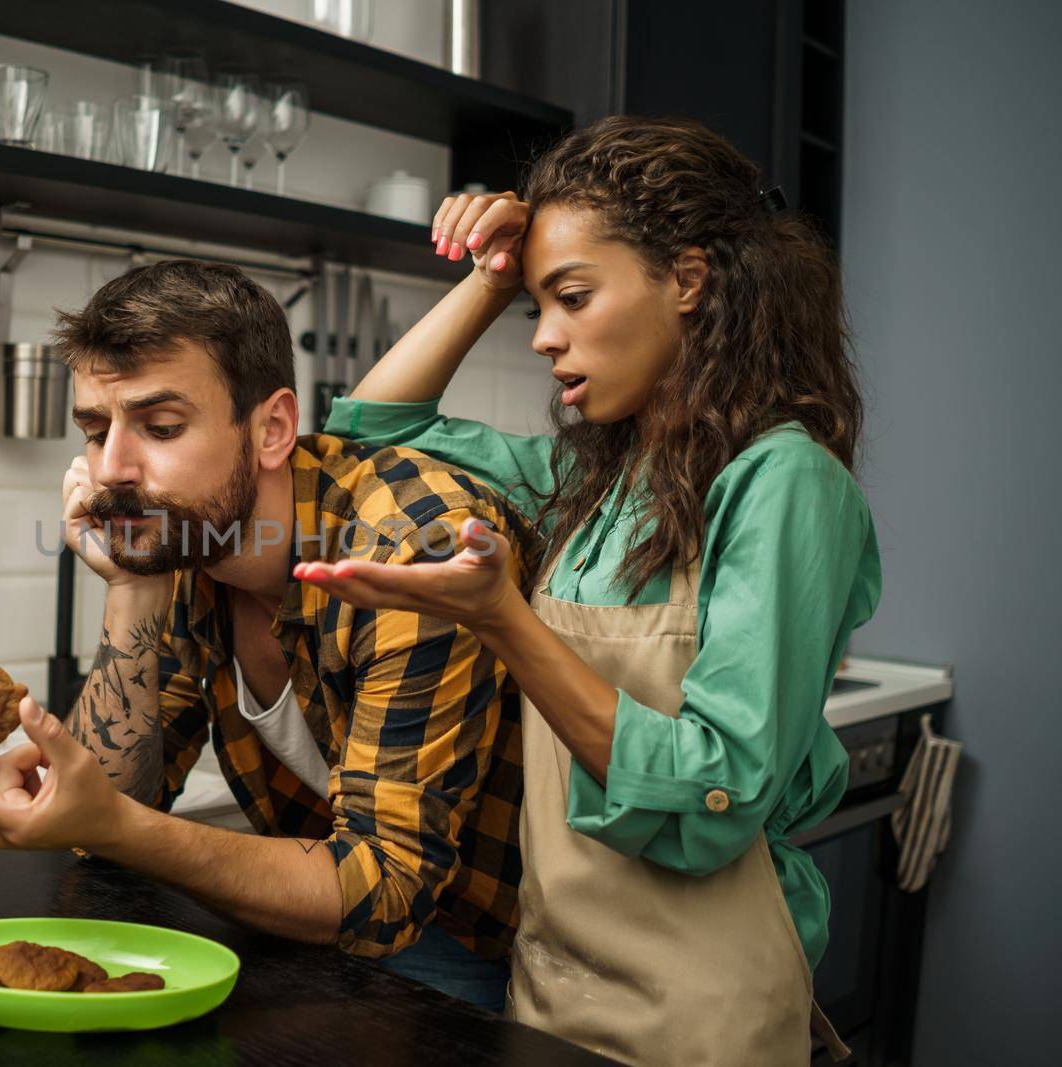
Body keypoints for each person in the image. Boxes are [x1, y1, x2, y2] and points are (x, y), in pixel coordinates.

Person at [294, 116, 878, 1064]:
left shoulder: (785, 482)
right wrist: (492, 276)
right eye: (538, 309)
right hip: (548, 991)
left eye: (572, 296)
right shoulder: (592, 484)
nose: (545, 339)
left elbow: (715, 790)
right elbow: (369, 437)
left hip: (698, 1019)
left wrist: (504, 619)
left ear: (688, 281)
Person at [0, 259, 539, 1011]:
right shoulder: (188, 544)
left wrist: (120, 826)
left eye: (159, 426)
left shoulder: (411, 548)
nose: (111, 468)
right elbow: (110, 801)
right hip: (315, 933)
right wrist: (132, 586)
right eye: (95, 429)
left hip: (478, 951)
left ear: (272, 429)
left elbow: (385, 892)